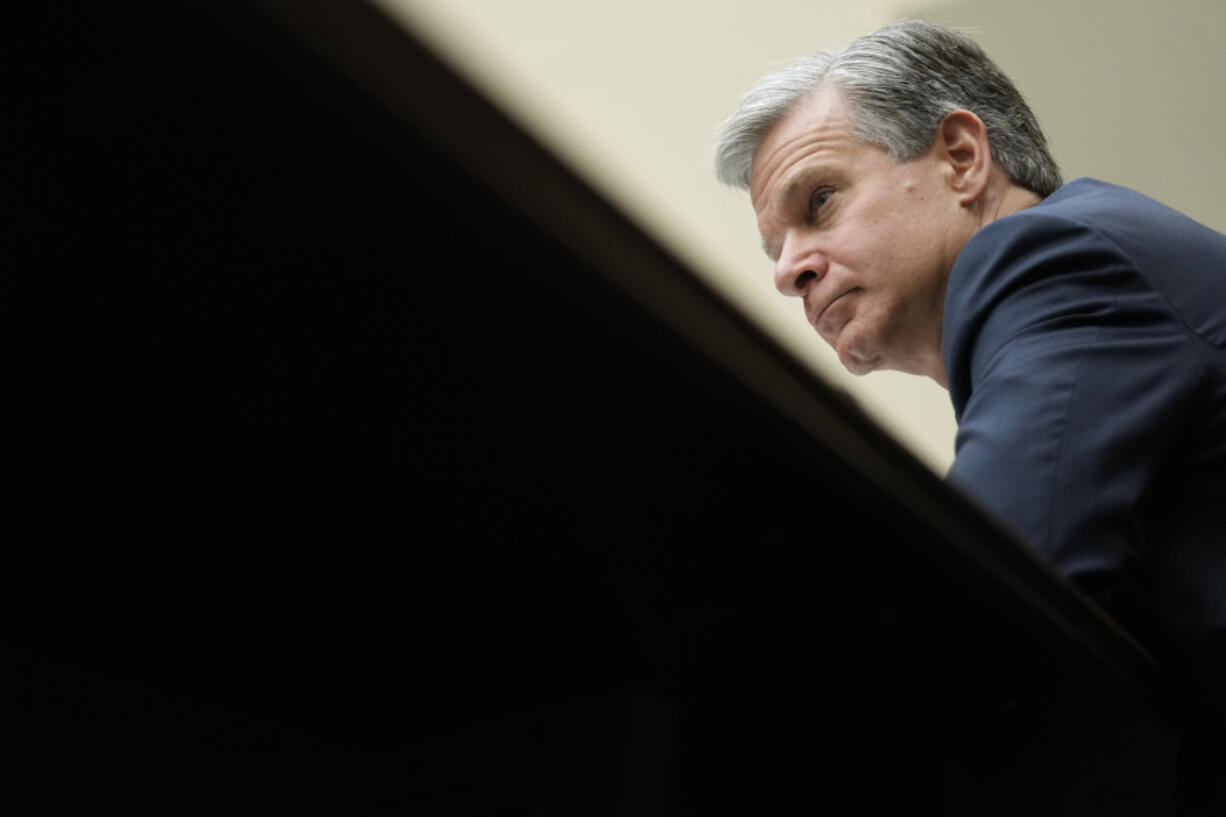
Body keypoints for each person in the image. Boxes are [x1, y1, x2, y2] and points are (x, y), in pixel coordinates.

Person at [715, 19, 1226, 814]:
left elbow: (978, 616)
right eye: (773, 247)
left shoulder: (1047, 255)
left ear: (961, 157)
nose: (788, 271)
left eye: (819, 201)